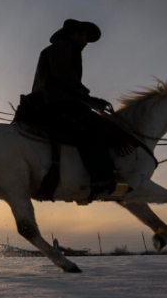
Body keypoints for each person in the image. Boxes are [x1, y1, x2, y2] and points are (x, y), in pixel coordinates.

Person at [30, 19, 117, 198]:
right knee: (92, 127)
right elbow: (63, 75)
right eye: (85, 36)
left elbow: (65, 80)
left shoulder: (64, 49)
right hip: (54, 103)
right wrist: (86, 95)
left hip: (54, 101)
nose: (86, 42)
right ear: (75, 34)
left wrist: (88, 98)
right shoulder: (62, 48)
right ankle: (102, 179)